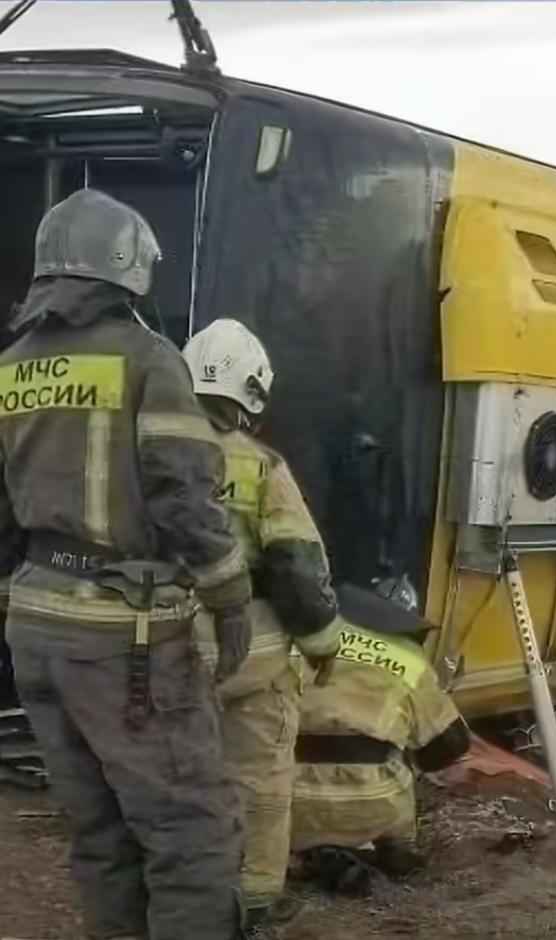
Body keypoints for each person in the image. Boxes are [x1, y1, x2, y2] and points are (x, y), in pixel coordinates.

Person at [0, 189, 251, 940]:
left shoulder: (9, 368)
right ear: (128, 266)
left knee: (101, 830)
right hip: (124, 638)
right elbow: (184, 494)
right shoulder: (146, 359)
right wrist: (230, 594)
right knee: (190, 834)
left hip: (36, 627)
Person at [182, 319, 343, 932]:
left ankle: (170, 892)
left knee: (167, 779)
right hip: (248, 658)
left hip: (156, 650)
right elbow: (297, 566)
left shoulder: (140, 459)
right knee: (259, 782)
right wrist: (323, 643)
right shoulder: (260, 466)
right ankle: (250, 903)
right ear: (251, 390)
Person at [291, 585, 469, 887]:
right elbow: (450, 745)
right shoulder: (408, 657)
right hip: (376, 801)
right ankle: (398, 853)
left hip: (288, 799)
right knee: (398, 783)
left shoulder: (289, 645)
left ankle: (299, 857)